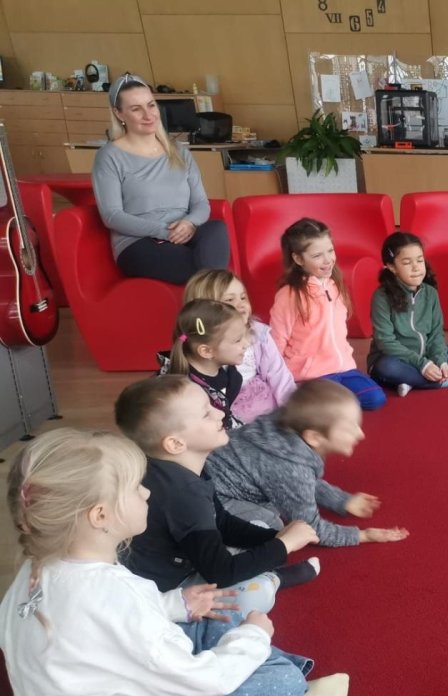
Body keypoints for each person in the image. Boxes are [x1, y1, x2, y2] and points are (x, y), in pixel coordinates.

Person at [0, 428, 349, 696]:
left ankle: (255, 663)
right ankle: (281, 694)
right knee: (281, 683)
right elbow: (192, 685)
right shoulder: (110, 596)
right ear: (100, 516)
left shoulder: (40, 566)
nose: (147, 492)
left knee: (216, 610)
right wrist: (254, 637)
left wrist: (175, 605)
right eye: (136, 487)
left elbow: (103, 626)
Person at [116, 376, 321, 615]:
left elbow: (221, 522)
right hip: (167, 592)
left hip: (185, 558)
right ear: (175, 444)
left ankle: (266, 569)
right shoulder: (184, 495)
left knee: (261, 528)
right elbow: (221, 573)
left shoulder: (178, 470)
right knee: (252, 596)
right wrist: (284, 545)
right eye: (206, 413)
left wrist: (275, 538)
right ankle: (273, 580)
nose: (220, 413)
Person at [205, 379, 410, 549]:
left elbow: (302, 480)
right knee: (274, 526)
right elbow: (311, 528)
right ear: (314, 437)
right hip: (211, 499)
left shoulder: (289, 427)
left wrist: (341, 501)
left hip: (209, 475)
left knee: (280, 500)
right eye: (350, 428)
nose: (361, 434)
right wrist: (362, 535)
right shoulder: (291, 468)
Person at [91, 73, 230, 284]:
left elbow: (201, 203)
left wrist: (189, 222)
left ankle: (211, 297)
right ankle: (217, 296)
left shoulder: (179, 151)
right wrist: (163, 231)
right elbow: (112, 216)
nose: (148, 115)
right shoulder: (109, 156)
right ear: (119, 113)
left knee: (217, 228)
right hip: (139, 242)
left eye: (151, 105)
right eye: (136, 109)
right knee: (204, 271)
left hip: (185, 232)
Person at [270, 218, 387, 411]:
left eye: (330, 251)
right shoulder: (289, 295)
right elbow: (277, 341)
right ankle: (309, 399)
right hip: (311, 375)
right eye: (317, 255)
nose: (328, 260)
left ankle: (323, 404)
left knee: (375, 398)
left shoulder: (334, 285)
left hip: (344, 369)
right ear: (298, 259)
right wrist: (280, 382)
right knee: (334, 408)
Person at [366, 232, 448, 397]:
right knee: (386, 367)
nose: (416, 267)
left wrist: (441, 360)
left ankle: (411, 381)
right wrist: (422, 365)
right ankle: (442, 381)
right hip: (395, 360)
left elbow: (436, 333)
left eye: (420, 260)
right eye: (407, 262)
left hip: (426, 357)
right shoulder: (381, 297)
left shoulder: (430, 293)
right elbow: (386, 342)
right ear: (391, 267)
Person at [184, 269, 296, 424]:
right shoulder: (202, 345)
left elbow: (278, 375)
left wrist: (294, 409)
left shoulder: (258, 333)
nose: (241, 304)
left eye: (243, 297)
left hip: (261, 402)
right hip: (224, 410)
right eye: (229, 300)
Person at [163, 298, 251, 431]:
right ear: (206, 351)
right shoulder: (188, 394)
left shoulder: (229, 373)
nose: (247, 344)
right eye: (238, 340)